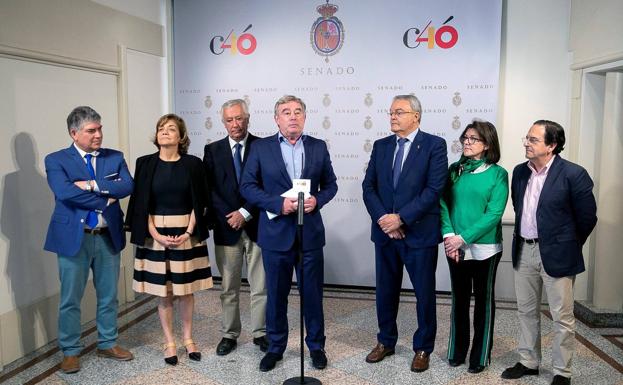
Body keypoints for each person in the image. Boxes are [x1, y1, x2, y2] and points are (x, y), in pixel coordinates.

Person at [240, 95, 338, 372]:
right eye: (286, 112)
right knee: (276, 295)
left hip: (310, 236)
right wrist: (277, 203)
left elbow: (331, 185)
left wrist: (317, 200)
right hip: (274, 234)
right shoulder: (260, 148)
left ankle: (316, 347)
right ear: (276, 119)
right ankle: (275, 347)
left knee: (313, 296)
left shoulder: (318, 147)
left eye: (297, 112)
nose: (292, 116)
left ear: (304, 117)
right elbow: (247, 187)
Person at [501, 120, 597, 385]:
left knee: (562, 317)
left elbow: (587, 218)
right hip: (524, 250)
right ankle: (529, 362)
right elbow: (520, 208)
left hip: (558, 254)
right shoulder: (520, 172)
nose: (526, 143)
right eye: (527, 138)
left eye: (533, 140)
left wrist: (566, 244)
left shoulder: (573, 174)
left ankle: (562, 372)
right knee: (526, 311)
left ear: (552, 145)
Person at [44, 106, 135, 374]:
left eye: (100, 128)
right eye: (91, 130)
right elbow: (65, 193)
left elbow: (127, 186)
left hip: (107, 236)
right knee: (71, 298)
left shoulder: (114, 157)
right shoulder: (56, 160)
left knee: (109, 295)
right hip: (74, 238)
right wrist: (106, 197)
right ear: (74, 133)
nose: (98, 135)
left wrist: (92, 185)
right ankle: (70, 351)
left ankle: (107, 342)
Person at [362, 94, 447, 373]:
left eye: (399, 112)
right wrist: (385, 220)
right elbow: (369, 187)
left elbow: (433, 190)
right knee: (385, 291)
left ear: (416, 116)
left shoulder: (434, 145)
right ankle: (385, 341)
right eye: (390, 112)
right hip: (385, 234)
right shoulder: (381, 146)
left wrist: (402, 219)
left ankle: (423, 347)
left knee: (424, 293)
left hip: (418, 234)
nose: (393, 117)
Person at [126, 114, 213, 366]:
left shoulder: (193, 164)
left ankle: (188, 339)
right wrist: (154, 233)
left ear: (181, 136)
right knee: (163, 293)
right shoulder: (144, 163)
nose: (165, 132)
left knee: (185, 291)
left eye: (171, 128)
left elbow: (201, 201)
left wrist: (187, 232)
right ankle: (169, 342)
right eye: (161, 128)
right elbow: (141, 203)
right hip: (155, 233)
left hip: (187, 230)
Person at [440, 121, 508, 374]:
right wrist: (449, 236)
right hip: (454, 246)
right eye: (465, 138)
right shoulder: (454, 170)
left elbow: (494, 213)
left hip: (485, 249)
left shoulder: (498, 174)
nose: (467, 142)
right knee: (459, 301)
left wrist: (463, 237)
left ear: (487, 144)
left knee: (483, 303)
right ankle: (457, 352)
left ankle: (479, 356)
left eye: (474, 139)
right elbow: (443, 204)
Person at [203, 99, 268, 356]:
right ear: (223, 122)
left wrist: (245, 212)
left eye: (239, 118)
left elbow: (267, 186)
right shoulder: (212, 150)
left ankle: (260, 333)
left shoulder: (263, 147)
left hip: (258, 225)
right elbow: (209, 190)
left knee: (260, 286)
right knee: (228, 287)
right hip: (225, 226)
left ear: (247, 118)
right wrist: (231, 215)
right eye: (229, 120)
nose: (235, 124)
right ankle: (229, 334)